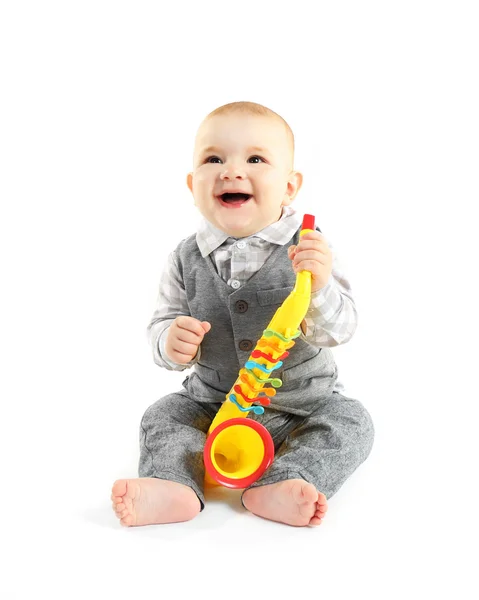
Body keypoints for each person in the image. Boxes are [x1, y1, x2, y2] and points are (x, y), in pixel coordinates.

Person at [111, 101, 374, 528]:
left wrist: (320, 286)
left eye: (255, 159)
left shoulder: (310, 249)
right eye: (213, 159)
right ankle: (175, 484)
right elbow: (161, 324)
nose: (232, 171)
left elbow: (341, 330)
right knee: (163, 414)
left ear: (290, 187)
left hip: (302, 404)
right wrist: (170, 340)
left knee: (352, 422)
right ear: (192, 183)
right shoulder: (184, 258)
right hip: (212, 405)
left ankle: (284, 480)